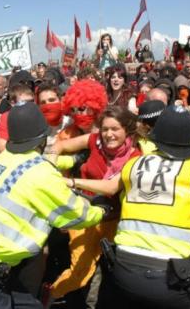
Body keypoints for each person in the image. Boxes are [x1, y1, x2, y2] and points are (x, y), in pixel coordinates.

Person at [67, 106, 190, 308]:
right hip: (172, 280)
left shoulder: (134, 165)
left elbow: (112, 188)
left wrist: (71, 182)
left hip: (123, 272)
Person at [0, 101, 108, 309]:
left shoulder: (6, 158)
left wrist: (74, 160)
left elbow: (43, 166)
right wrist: (101, 211)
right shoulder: (40, 173)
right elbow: (75, 214)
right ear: (42, 138)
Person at [47, 106, 141, 305]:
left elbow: (111, 188)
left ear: (127, 130)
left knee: (108, 274)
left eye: (115, 129)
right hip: (83, 214)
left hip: (113, 221)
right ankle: (49, 295)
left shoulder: (135, 157)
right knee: (79, 273)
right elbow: (59, 146)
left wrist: (72, 182)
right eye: (105, 129)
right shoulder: (94, 140)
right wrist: (50, 162)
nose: (108, 134)